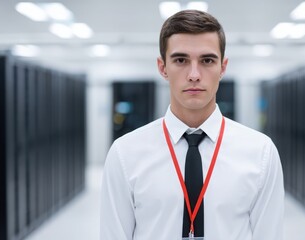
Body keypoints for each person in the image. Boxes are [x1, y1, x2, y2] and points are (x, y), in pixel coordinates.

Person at [100, 9, 284, 240]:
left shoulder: (260, 152)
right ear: (162, 68)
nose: (194, 74)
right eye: (180, 60)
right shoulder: (125, 153)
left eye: (207, 60)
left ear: (223, 68)